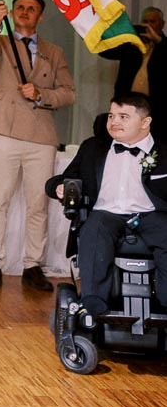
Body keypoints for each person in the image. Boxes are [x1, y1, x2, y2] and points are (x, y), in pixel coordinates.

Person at [0, 0, 75, 292]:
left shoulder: (53, 51)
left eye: (31, 9)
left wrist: (42, 94)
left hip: (40, 135)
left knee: (38, 203)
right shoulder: (2, 42)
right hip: (4, 130)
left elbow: (69, 93)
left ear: (40, 16)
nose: (24, 12)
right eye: (19, 7)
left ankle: (33, 265)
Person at [47, 93, 165, 322]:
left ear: (145, 122)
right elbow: (62, 179)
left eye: (123, 116)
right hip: (106, 214)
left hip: (151, 215)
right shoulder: (94, 148)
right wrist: (60, 187)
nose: (114, 122)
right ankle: (93, 305)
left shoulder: (164, 151)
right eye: (111, 115)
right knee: (94, 227)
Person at [98, 7, 165, 127]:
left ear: (162, 24)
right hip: (127, 102)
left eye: (152, 22)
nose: (148, 25)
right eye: (145, 21)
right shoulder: (132, 44)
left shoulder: (164, 45)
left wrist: (159, 41)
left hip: (156, 106)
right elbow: (106, 52)